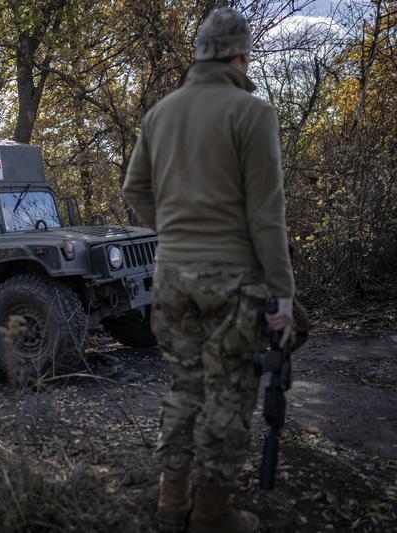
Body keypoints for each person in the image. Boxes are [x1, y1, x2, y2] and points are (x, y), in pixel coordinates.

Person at [122, 7, 294, 533]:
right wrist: (282, 291)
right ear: (241, 56)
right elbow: (266, 212)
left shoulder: (160, 113)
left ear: (198, 53)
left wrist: (173, 235)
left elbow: (134, 190)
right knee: (228, 392)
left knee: (184, 386)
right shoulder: (251, 112)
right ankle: (213, 515)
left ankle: (170, 504)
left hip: (170, 276)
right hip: (231, 279)